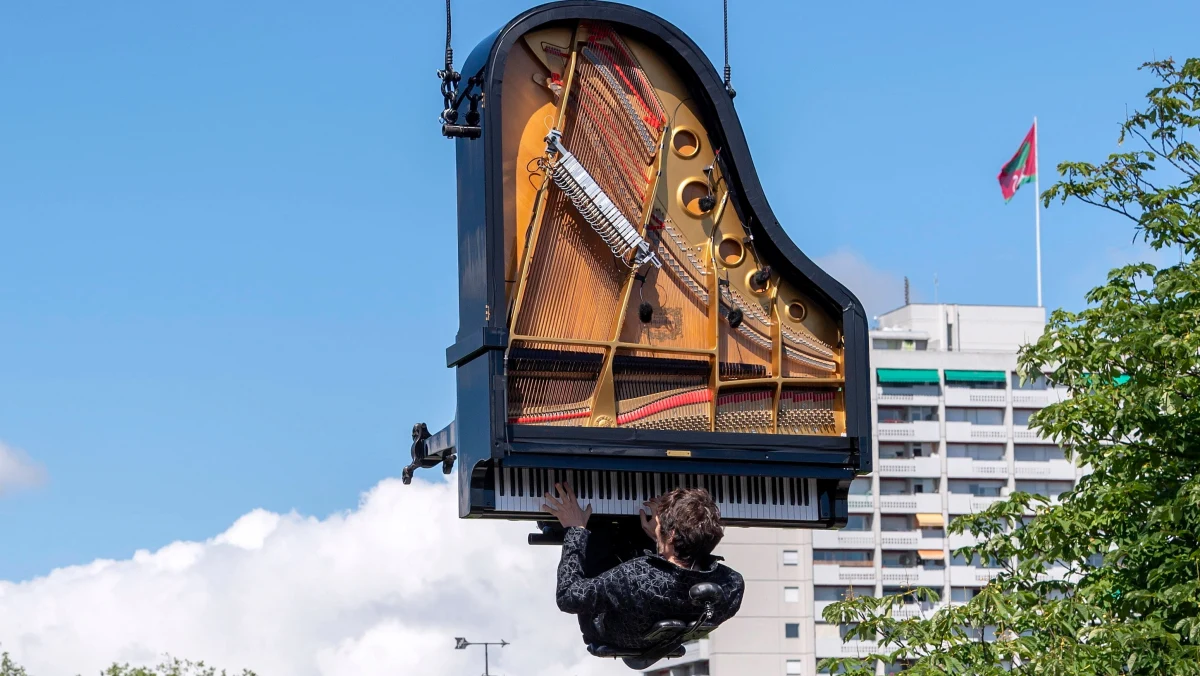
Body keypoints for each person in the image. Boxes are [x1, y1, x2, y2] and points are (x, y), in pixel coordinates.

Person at [540, 481, 745, 659]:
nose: (657, 524)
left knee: (599, 536)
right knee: (634, 533)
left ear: (672, 535)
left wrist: (575, 529)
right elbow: (680, 582)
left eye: (660, 523)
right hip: (653, 630)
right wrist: (661, 541)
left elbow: (568, 597)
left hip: (611, 631)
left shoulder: (635, 576)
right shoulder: (731, 586)